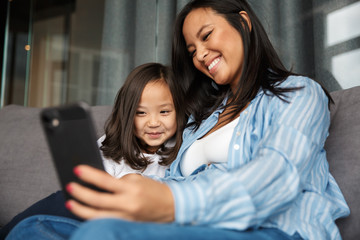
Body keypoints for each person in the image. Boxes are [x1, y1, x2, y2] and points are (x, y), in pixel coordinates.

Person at [6, 0, 350, 239]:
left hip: (273, 230)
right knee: (33, 231)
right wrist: (141, 187)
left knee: (103, 233)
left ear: (243, 23)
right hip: (185, 227)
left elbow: (278, 176)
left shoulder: (297, 93)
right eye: (191, 50)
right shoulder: (200, 121)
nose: (200, 55)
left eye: (206, 36)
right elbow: (168, 181)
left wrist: (170, 202)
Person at [1, 62, 186, 239]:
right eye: (141, 113)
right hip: (89, 215)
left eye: (164, 112)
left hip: (123, 224)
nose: (153, 123)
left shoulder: (181, 152)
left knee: (34, 227)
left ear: (179, 111)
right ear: (128, 115)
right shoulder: (112, 148)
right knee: (53, 208)